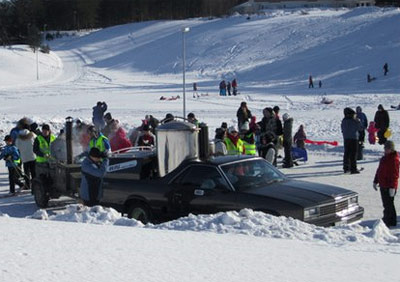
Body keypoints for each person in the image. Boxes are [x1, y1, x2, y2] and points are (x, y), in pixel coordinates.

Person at [373, 140, 398, 227]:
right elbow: (379, 170)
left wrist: (393, 187)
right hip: (383, 185)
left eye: (387, 149)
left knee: (388, 204)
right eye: (385, 148)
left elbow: (395, 175)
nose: (385, 150)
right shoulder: (384, 158)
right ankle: (391, 220)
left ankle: (388, 220)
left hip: (389, 186)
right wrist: (375, 181)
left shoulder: (394, 160)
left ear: (391, 149)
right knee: (387, 204)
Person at [341, 108, 362, 174]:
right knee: (353, 154)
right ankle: (353, 168)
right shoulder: (354, 121)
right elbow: (360, 128)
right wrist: (358, 121)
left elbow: (342, 129)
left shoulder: (344, 120)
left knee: (347, 153)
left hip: (346, 138)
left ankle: (346, 168)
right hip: (353, 138)